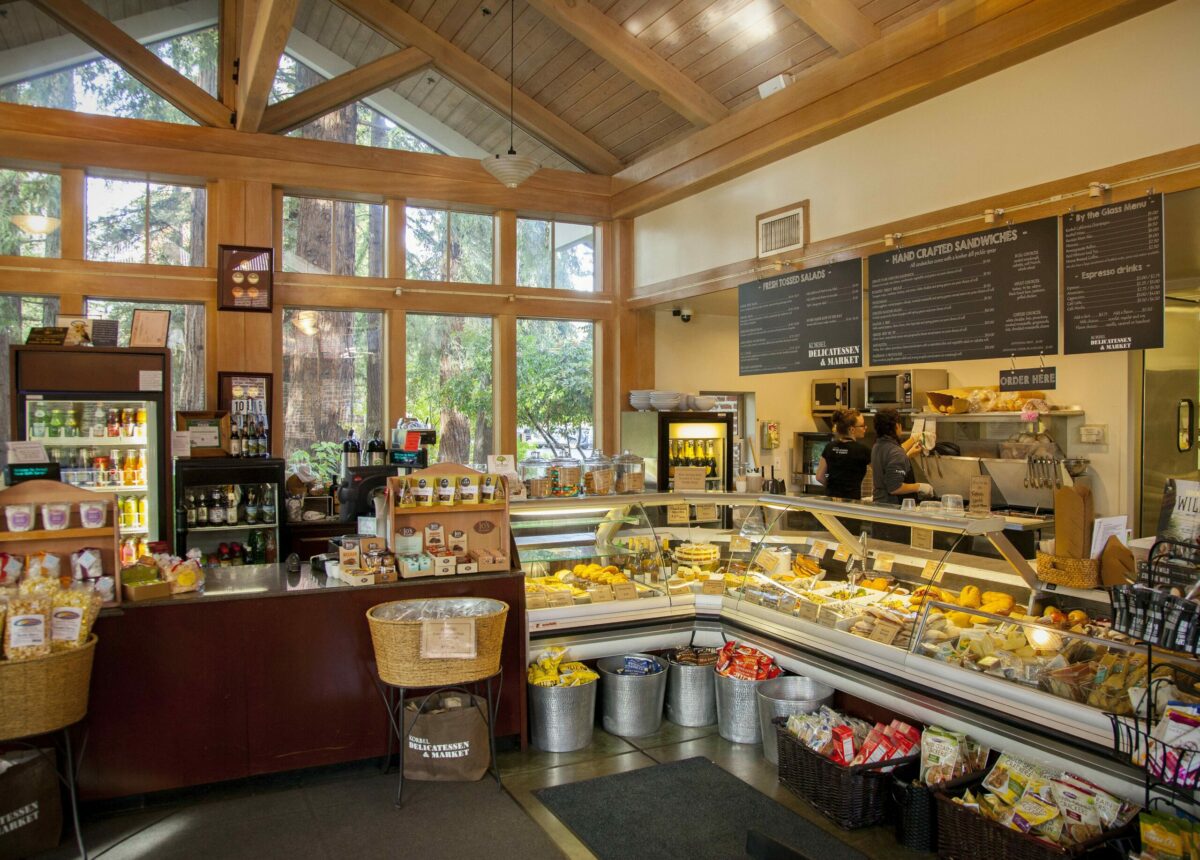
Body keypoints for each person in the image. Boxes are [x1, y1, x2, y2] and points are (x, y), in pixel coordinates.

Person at [871, 408, 933, 506]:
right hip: (893, 507)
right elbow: (895, 487)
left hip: (879, 503)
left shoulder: (878, 445)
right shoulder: (896, 452)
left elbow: (892, 457)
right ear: (897, 426)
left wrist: (914, 439)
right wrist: (920, 487)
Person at [815, 407, 870, 500]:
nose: (866, 427)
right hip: (851, 504)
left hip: (831, 502)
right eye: (863, 425)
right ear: (852, 429)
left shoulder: (829, 447)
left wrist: (833, 488)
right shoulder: (862, 450)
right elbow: (878, 474)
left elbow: (819, 477)